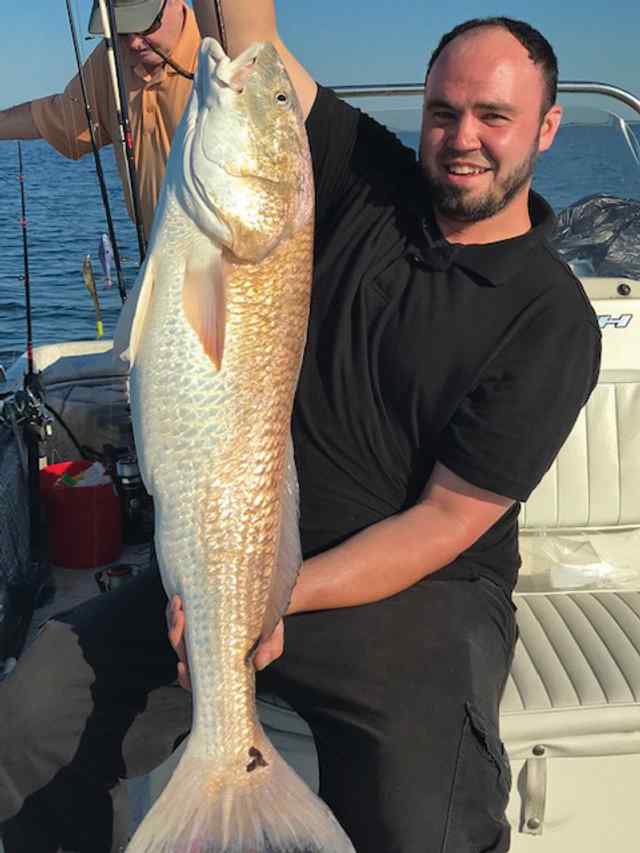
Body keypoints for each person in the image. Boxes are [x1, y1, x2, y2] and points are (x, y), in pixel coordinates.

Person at [0, 6, 602, 853]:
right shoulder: (366, 180)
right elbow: (259, 49)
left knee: (427, 825)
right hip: (230, 544)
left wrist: (277, 599)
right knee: (29, 721)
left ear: (546, 128)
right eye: (443, 112)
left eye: (493, 117)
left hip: (411, 591)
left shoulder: (552, 322)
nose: (463, 137)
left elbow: (443, 524)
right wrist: (172, 35)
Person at [0, 0, 200, 239]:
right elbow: (61, 116)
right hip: (160, 259)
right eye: (121, 31)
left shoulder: (226, 51)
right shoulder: (113, 57)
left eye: (146, 26)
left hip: (238, 266)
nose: (134, 42)